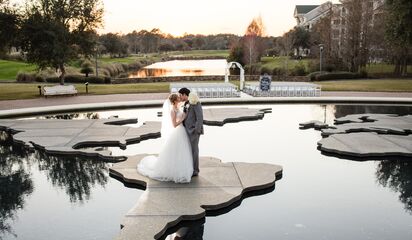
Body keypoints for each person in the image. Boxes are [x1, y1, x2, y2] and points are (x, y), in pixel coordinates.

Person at [137, 93, 193, 183]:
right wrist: (182, 119)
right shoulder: (172, 111)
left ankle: (181, 169)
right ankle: (174, 171)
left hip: (182, 131)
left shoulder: (178, 108)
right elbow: (174, 125)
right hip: (177, 131)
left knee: (182, 152)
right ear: (175, 100)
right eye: (178, 98)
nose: (180, 98)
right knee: (176, 152)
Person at [178, 88, 204, 176]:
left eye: (181, 95)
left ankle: (195, 170)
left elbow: (200, 118)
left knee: (194, 150)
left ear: (185, 94)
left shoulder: (195, 102)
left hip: (193, 131)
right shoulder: (186, 103)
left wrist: (196, 130)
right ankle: (190, 168)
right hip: (186, 131)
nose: (180, 97)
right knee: (188, 150)